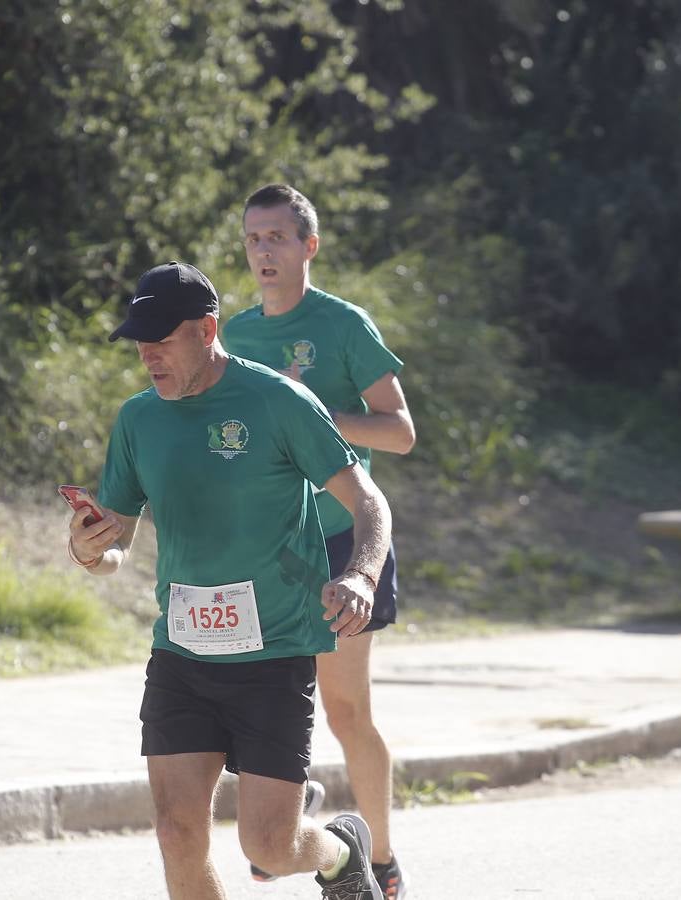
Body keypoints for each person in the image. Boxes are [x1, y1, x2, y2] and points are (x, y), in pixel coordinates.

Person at [69, 260, 392, 900]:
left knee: (268, 844)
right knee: (175, 831)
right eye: (140, 341)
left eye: (162, 338)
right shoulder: (139, 420)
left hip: (272, 654)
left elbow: (369, 502)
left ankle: (341, 850)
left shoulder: (277, 401)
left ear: (207, 328)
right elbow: (118, 546)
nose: (147, 354)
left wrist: (359, 574)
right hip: (182, 654)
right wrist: (88, 551)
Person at [223, 184, 415, 899]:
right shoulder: (234, 337)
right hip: (268, 548)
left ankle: (383, 855)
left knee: (344, 709)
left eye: (277, 237)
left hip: (342, 539)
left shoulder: (342, 325)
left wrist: (314, 417)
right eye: (253, 239)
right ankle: (288, 817)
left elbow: (399, 431)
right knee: (264, 696)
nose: (264, 251)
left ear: (310, 245)